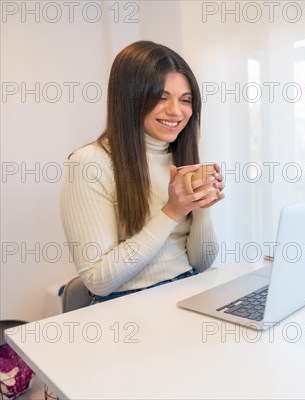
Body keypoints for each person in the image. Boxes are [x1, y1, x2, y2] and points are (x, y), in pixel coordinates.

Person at [60, 41, 224, 304]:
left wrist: (202, 207)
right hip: (128, 305)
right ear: (130, 98)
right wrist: (172, 211)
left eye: (185, 100)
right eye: (161, 97)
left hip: (189, 289)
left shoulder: (179, 158)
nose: (176, 111)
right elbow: (99, 280)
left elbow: (201, 264)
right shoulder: (90, 164)